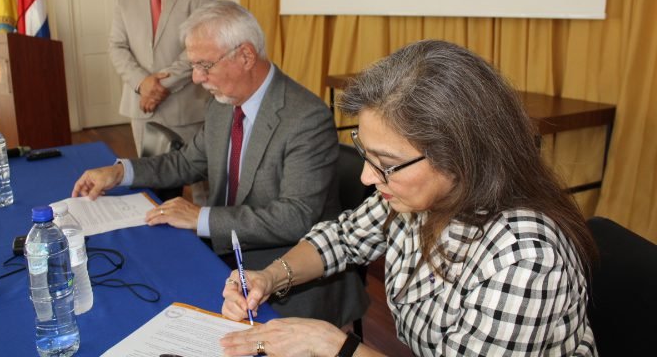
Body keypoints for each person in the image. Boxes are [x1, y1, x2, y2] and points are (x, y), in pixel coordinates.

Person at [220, 40, 598, 357]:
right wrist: (268, 277)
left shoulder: (524, 257)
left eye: (386, 163)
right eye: (366, 153)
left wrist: (335, 345)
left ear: (461, 158)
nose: (368, 177)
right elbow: (343, 238)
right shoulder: (416, 194)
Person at [73, 0, 368, 325]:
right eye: (193, 65)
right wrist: (120, 172)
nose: (197, 78)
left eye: (204, 65)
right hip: (225, 250)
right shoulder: (223, 104)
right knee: (139, 289)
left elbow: (294, 218)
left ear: (244, 56)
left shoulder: (305, 118)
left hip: (287, 270)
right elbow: (186, 162)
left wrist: (200, 217)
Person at [110, 0, 217, 157]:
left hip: (186, 108)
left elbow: (202, 48)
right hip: (140, 107)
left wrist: (159, 87)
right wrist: (142, 83)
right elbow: (117, 47)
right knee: (151, 179)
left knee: (199, 184)